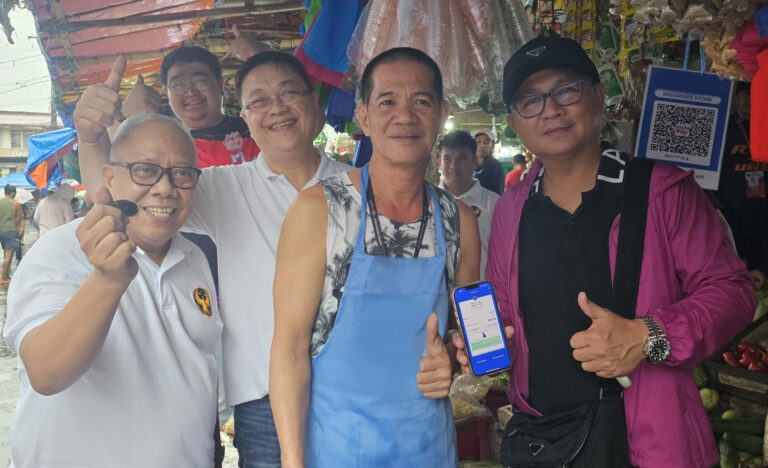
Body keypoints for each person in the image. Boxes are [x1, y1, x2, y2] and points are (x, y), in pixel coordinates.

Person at [454, 36, 756, 467]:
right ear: (514, 121)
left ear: (598, 96)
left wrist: (647, 335)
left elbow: (733, 293)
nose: (551, 109)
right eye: (530, 100)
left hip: (649, 442)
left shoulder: (663, 190)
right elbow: (506, 309)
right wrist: (484, 341)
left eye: (566, 90)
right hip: (544, 438)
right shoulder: (510, 208)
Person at [75, 51, 349, 468]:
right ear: (246, 117)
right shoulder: (226, 187)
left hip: (355, 386)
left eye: (289, 93)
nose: (276, 107)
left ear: (315, 102)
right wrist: (92, 136)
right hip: (263, 396)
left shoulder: (356, 186)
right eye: (259, 100)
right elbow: (117, 193)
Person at [270, 47, 480, 468]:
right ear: (363, 116)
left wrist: (460, 362)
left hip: (428, 451)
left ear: (440, 113)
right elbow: (289, 352)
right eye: (387, 101)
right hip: (336, 451)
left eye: (421, 101)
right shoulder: (320, 210)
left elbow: (471, 339)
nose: (404, 116)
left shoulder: (459, 221)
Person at [3, 114, 223, 467]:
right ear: (109, 178)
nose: (165, 188)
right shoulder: (60, 251)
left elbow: (196, 369)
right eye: (145, 170)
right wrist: (107, 279)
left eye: (182, 173)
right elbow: (46, 372)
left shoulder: (195, 256)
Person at [714, 81, 768, 274]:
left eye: (754, 93)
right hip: (731, 220)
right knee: (731, 276)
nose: (749, 99)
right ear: (736, 98)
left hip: (763, 223)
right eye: (744, 94)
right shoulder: (723, 128)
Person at [437, 130, 499, 279]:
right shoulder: (428, 201)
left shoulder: (494, 203)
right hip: (438, 294)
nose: (454, 165)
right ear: (439, 161)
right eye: (448, 158)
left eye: (462, 158)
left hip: (480, 292)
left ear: (474, 162)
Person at [0, 184, 23, 285]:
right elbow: (18, 220)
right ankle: (4, 278)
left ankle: (6, 275)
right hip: (10, 230)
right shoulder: (16, 203)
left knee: (5, 252)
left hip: (1, 231)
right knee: (9, 255)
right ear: (13, 193)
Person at [473, 129, 505, 194]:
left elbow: (498, 193)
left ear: (492, 145)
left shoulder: (496, 167)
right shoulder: (466, 164)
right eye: (478, 141)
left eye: (486, 142)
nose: (482, 146)